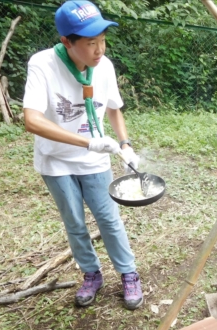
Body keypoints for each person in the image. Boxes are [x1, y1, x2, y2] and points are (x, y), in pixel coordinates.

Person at [23, 0, 144, 309]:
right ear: (67, 41)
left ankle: (128, 274)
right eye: (91, 43)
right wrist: (88, 143)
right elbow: (32, 120)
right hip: (56, 160)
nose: (99, 50)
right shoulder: (43, 64)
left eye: (102, 40)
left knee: (108, 219)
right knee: (74, 221)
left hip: (95, 161)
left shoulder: (104, 66)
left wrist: (126, 144)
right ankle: (91, 273)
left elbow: (114, 109)